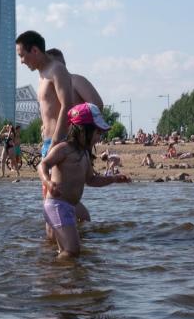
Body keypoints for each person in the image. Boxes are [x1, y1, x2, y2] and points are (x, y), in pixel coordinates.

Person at [37, 104, 129, 258]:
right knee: (72, 250)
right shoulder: (64, 149)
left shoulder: (85, 155)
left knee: (66, 251)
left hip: (68, 207)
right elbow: (43, 164)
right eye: (97, 131)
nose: (99, 137)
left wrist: (113, 179)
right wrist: (47, 182)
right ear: (81, 130)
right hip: (57, 205)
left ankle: (57, 277)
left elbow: (91, 180)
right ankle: (55, 276)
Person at [16, 32, 75, 160]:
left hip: (59, 143)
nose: (21, 61)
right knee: (47, 180)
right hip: (48, 142)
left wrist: (55, 141)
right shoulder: (42, 75)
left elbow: (67, 106)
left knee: (56, 181)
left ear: (35, 50)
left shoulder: (57, 70)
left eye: (22, 56)